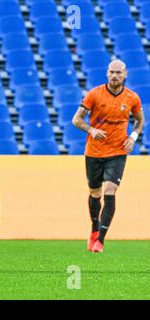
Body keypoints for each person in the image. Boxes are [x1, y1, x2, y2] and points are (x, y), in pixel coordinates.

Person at [72, 59, 144, 253]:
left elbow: (139, 121)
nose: (114, 76)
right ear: (107, 73)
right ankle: (94, 229)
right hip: (94, 152)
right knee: (95, 194)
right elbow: (76, 119)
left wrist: (133, 137)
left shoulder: (132, 98)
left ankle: (100, 241)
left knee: (110, 191)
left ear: (125, 74)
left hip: (118, 152)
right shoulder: (94, 95)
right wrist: (91, 130)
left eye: (118, 73)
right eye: (111, 72)